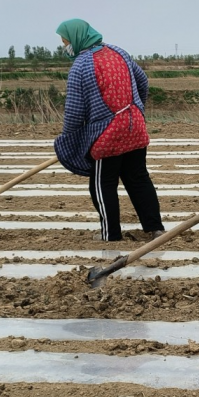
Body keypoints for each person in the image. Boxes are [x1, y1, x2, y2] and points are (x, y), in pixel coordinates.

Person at [53, 18, 165, 242]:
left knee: (102, 184)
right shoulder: (119, 52)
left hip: (108, 137)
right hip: (135, 127)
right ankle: (155, 229)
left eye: (65, 41)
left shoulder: (81, 66)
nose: (65, 45)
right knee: (138, 178)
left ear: (75, 39)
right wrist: (136, 110)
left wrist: (68, 140)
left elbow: (74, 112)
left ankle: (110, 234)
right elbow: (143, 82)